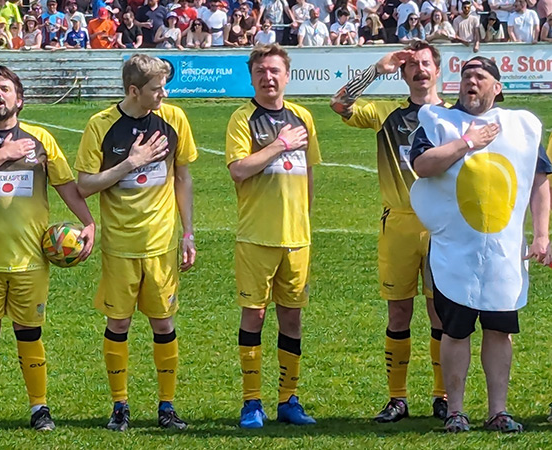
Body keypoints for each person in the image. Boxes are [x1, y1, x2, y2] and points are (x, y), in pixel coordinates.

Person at [408, 56, 552, 433]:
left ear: (497, 86)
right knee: (455, 330)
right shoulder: (438, 121)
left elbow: (539, 180)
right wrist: (467, 142)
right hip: (455, 250)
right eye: (466, 76)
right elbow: (422, 166)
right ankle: (455, 410)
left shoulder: (521, 126)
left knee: (499, 330)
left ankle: (498, 411)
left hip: (504, 253)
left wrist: (541, 234)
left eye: (480, 76)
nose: (471, 82)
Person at [0, 65, 95, 433]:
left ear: (20, 99)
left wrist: (89, 222)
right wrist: (6, 153)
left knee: (29, 332)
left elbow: (65, 185)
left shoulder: (41, 139)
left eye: (4, 89)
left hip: (30, 258)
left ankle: (39, 408)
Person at [75, 53, 197, 433]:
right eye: (156, 89)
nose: (163, 94)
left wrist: (188, 231)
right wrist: (131, 162)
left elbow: (183, 177)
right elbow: (85, 185)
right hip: (119, 245)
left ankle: (166, 406)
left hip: (160, 243)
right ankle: (119, 406)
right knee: (119, 322)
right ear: (133, 90)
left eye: (163, 87)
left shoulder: (175, 119)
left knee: (164, 324)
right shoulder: (101, 125)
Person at [330, 42, 448, 423]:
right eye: (412, 65)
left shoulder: (454, 117)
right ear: (403, 74)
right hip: (397, 223)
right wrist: (376, 70)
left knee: (440, 314)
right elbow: (339, 103)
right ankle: (397, 398)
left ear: (438, 70)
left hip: (441, 226)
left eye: (426, 64)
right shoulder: (387, 113)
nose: (419, 71)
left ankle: (442, 395)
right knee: (398, 312)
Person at [226, 44, 319, 429]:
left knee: (291, 319)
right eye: (261, 71)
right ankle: (251, 403)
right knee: (255, 315)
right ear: (252, 77)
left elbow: (310, 173)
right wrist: (279, 145)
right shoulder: (242, 118)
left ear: (287, 75)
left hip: (297, 238)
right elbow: (238, 170)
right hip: (256, 237)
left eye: (275, 70)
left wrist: (304, 218)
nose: (268, 77)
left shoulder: (303, 117)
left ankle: (288, 399)